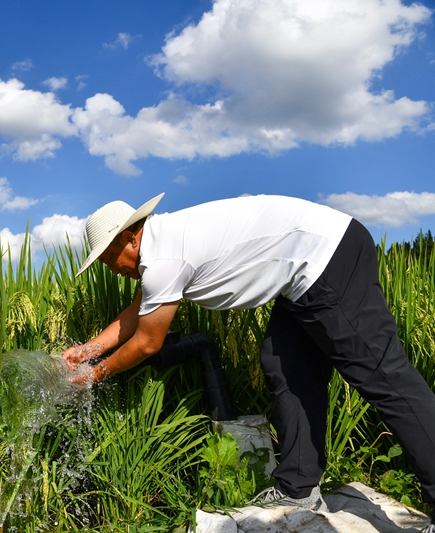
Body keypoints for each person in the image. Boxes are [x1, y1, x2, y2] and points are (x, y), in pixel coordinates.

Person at [62, 193, 435, 531]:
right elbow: (140, 311)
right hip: (303, 274)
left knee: (384, 378)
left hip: (328, 255)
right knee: (284, 363)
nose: (113, 269)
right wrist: (87, 350)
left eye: (111, 258)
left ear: (130, 237)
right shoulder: (163, 243)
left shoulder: (163, 257)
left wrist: (94, 375)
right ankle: (298, 488)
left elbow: (147, 341)